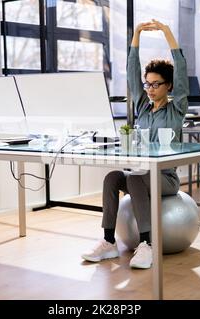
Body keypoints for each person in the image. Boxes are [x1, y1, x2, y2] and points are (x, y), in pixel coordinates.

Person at [81, 20, 189, 269]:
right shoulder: (142, 107)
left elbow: (181, 67)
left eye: (156, 84)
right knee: (112, 178)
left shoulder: (177, 109)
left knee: (135, 179)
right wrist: (136, 33)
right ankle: (108, 242)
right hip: (139, 174)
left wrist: (167, 32)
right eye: (147, 84)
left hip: (165, 178)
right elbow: (132, 71)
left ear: (169, 86)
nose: (150, 89)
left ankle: (146, 245)